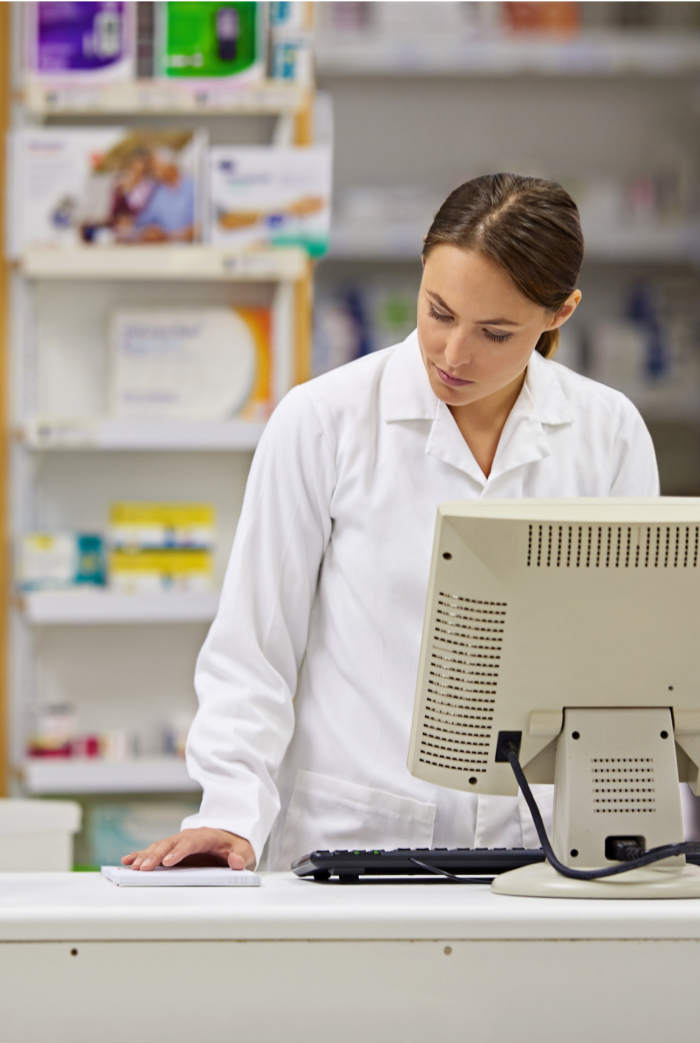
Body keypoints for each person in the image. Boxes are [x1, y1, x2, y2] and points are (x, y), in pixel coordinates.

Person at [123, 173, 658, 873]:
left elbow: (632, 667)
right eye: (439, 311)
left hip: (541, 848)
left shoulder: (607, 433)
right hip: (354, 835)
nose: (453, 353)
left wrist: (643, 840)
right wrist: (230, 810)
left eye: (496, 332)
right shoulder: (325, 420)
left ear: (560, 314)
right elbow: (255, 648)